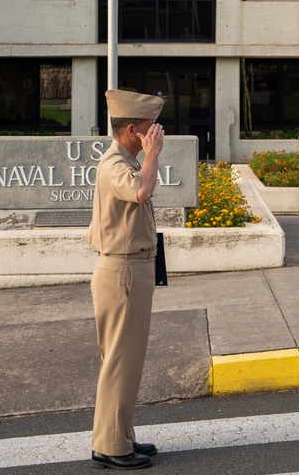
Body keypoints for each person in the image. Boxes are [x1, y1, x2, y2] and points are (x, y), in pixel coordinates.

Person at [89, 89, 166, 470]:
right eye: (153, 129)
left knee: (127, 361)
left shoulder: (125, 159)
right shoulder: (114, 164)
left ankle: (122, 435)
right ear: (133, 129)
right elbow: (142, 190)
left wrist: (149, 155)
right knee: (119, 361)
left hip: (132, 269)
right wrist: (152, 155)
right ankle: (110, 445)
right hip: (122, 271)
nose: (159, 134)